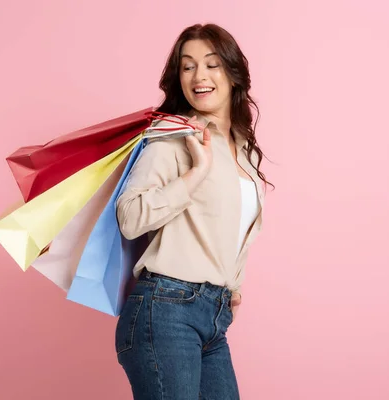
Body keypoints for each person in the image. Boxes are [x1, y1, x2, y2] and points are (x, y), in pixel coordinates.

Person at [114, 23, 271, 400]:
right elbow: (130, 217)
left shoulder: (243, 148)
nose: (199, 76)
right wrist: (195, 174)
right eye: (187, 66)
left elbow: (232, 227)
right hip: (165, 311)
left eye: (212, 64)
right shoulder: (173, 134)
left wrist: (231, 284)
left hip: (213, 318)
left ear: (233, 73)